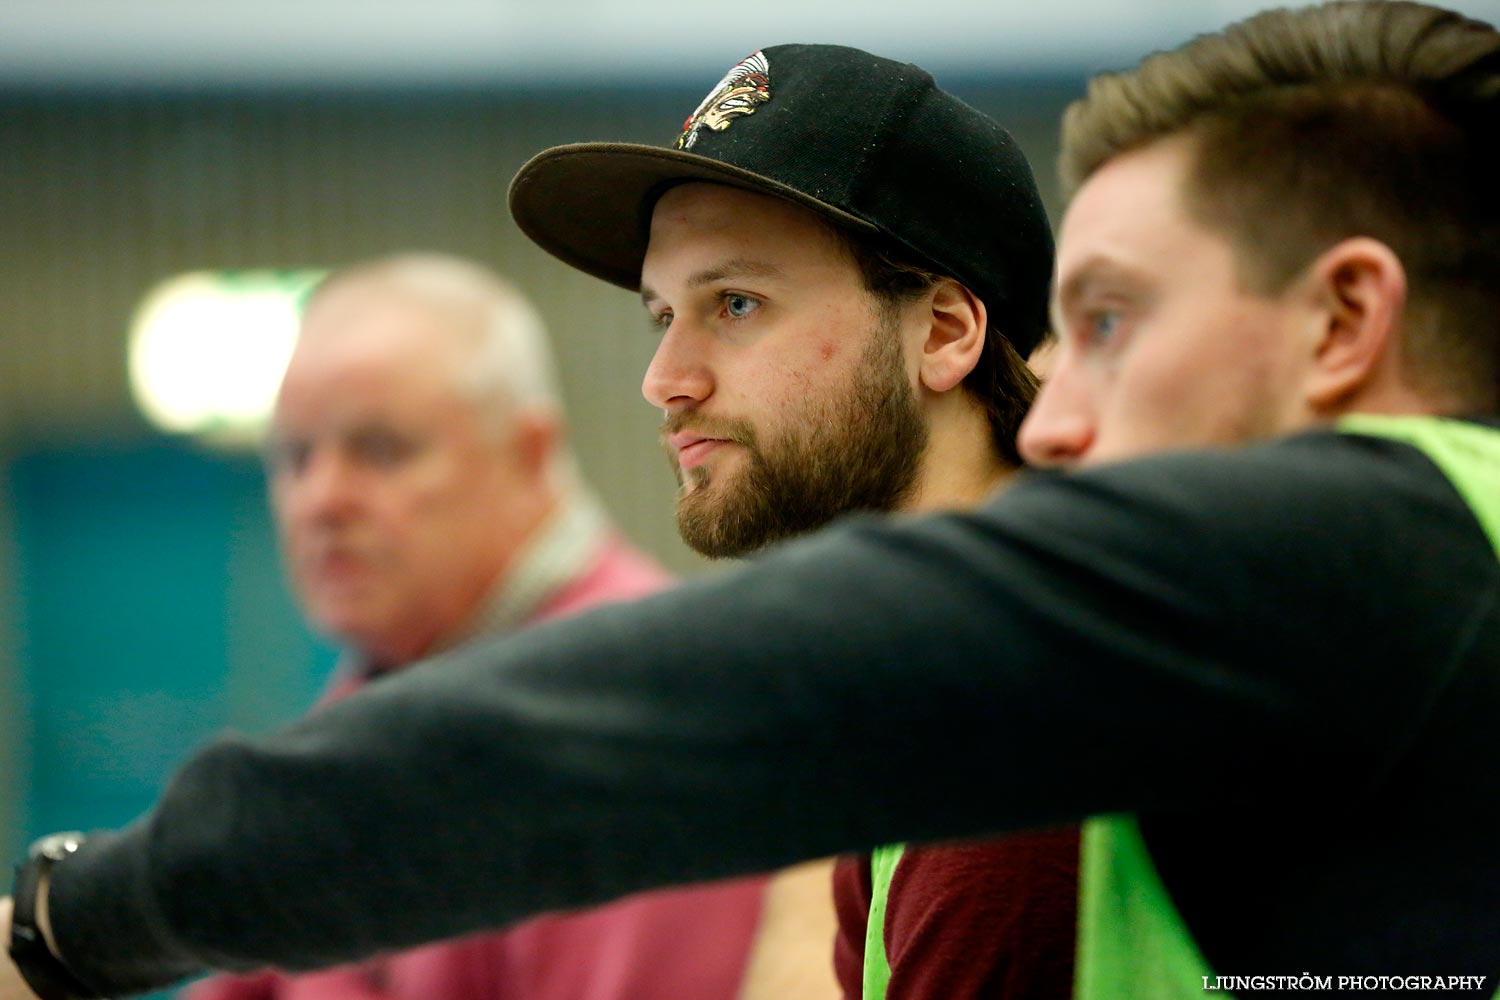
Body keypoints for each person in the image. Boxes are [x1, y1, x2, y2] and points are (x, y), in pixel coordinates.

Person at [6, 2, 1500, 997]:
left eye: (1109, 320)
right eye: (664, 318)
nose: (1071, 408)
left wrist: (83, 918)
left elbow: (598, 743)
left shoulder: (1367, 548)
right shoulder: (1212, 689)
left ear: (1341, 322)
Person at [507, 43, 1074, 1000]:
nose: (665, 380)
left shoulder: (1021, 736)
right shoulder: (926, 690)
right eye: (662, 316)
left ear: (942, 330)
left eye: (735, 303)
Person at [181, 253, 767, 1000]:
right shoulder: (384, 692)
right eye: (294, 457)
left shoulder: (644, 725)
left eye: (381, 449)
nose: (320, 500)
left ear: (529, 454)